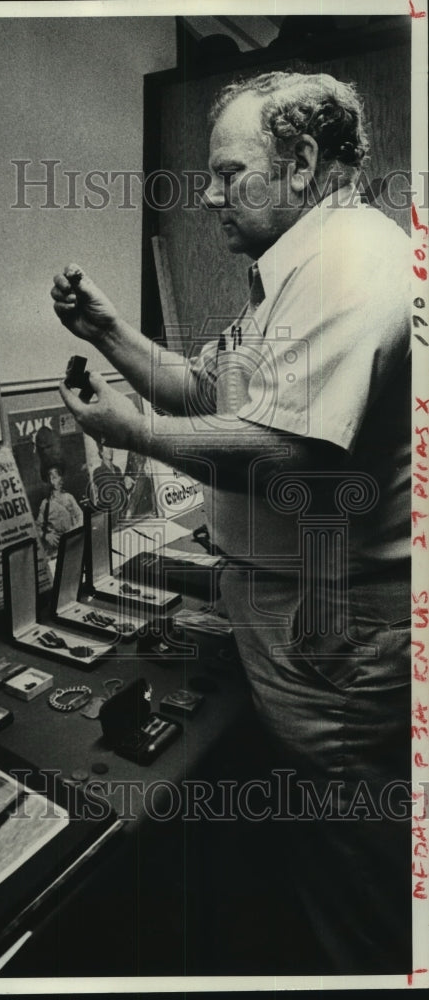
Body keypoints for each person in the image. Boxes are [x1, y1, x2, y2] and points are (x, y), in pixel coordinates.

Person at [51, 71, 411, 974]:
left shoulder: (348, 267)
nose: (205, 193)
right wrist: (111, 335)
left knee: (349, 865)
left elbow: (285, 452)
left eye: (225, 172)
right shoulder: (296, 268)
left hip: (331, 620)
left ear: (299, 164)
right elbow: (213, 392)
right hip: (301, 610)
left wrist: (133, 435)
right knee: (318, 842)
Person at [36, 462, 83, 557]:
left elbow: (81, 517)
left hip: (74, 542)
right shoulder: (45, 504)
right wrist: (46, 535)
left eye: (59, 476)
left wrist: (74, 531)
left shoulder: (69, 497)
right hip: (57, 549)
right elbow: (37, 528)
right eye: (53, 478)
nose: (59, 480)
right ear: (49, 481)